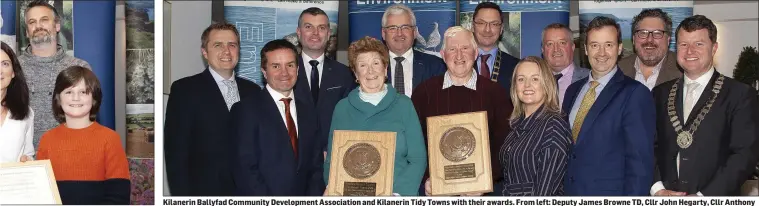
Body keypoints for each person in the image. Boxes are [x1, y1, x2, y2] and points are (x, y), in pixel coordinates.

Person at [651, 15, 759, 196]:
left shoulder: (740, 94)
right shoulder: (659, 93)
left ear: (714, 48)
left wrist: (704, 197)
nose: (689, 51)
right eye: (683, 45)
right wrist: (658, 189)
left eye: (699, 44)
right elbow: (648, 146)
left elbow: (743, 156)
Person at [164, 22, 261, 196]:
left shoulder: (253, 91)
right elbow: (176, 154)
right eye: (218, 45)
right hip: (205, 193)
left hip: (249, 193)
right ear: (204, 52)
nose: (226, 51)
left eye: (232, 45)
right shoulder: (185, 90)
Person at [561, 16, 655, 196]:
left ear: (619, 48)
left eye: (609, 45)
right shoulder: (572, 91)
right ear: (586, 50)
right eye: (595, 45)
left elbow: (640, 165)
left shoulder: (635, 94)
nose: (601, 52)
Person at [323, 36, 427, 196]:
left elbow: (418, 159)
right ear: (355, 73)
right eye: (363, 65)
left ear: (385, 69)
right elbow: (331, 161)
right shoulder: (342, 108)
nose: (370, 71)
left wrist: (396, 195)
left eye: (376, 63)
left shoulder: (404, 105)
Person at [417, 26, 513, 196]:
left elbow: (504, 146)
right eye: (452, 49)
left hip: (481, 194)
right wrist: (428, 179)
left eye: (465, 48)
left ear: (475, 53)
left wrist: (485, 180)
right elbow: (416, 146)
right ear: (443, 55)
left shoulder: (496, 93)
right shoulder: (423, 93)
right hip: (437, 194)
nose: (459, 55)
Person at [231, 39, 323, 196]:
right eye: (276, 66)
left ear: (298, 68)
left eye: (290, 65)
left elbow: (316, 166)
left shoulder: (308, 111)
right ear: (264, 71)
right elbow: (245, 170)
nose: (284, 73)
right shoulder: (245, 110)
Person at [36, 66, 130, 204]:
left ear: (94, 99)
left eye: (83, 92)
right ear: (58, 99)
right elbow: (41, 192)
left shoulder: (110, 139)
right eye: (68, 92)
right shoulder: (47, 139)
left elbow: (119, 195)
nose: (75, 98)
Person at [18, 1, 90, 150]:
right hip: (24, 161)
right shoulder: (12, 69)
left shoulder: (80, 68)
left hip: (70, 153)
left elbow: (89, 117)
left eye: (44, 20)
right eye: (32, 22)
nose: (38, 26)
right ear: (27, 31)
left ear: (57, 26)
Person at [499, 56, 572, 196]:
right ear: (515, 86)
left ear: (546, 84)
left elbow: (545, 193)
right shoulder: (517, 124)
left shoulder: (553, 126)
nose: (527, 85)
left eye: (535, 79)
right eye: (521, 79)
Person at [293, 7, 355, 151]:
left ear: (328, 34)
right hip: (292, 159)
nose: (315, 33)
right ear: (298, 33)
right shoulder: (285, 72)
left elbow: (349, 120)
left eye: (321, 28)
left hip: (332, 158)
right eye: (308, 27)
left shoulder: (344, 74)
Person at [381, 4, 446, 97]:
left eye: (405, 27)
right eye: (393, 28)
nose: (399, 33)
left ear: (414, 32)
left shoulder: (436, 66)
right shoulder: (370, 68)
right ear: (383, 33)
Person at [619, 9, 682, 90]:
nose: (649, 40)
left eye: (657, 33)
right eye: (643, 33)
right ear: (634, 39)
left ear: (668, 40)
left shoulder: (683, 71)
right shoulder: (618, 69)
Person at [471, 2, 520, 92]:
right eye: (481, 23)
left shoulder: (517, 67)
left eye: (494, 24)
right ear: (473, 26)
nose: (487, 29)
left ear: (501, 29)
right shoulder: (458, 63)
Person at [0, 42, 34, 163]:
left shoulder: (26, 112)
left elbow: (27, 153)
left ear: (13, 72)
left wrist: (28, 160)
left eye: (5, 64)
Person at [541, 23, 589, 106]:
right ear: (543, 50)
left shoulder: (590, 78)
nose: (556, 49)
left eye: (562, 43)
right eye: (550, 44)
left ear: (572, 47)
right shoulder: (534, 81)